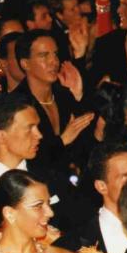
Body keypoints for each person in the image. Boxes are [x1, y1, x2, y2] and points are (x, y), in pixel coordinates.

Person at [0, 92, 91, 232]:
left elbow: (81, 226)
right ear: (1, 136)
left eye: (37, 127)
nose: (39, 135)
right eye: (29, 128)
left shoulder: (52, 178)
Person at [12, 30, 95, 172]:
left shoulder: (64, 95)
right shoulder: (16, 104)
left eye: (55, 54)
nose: (54, 61)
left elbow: (88, 144)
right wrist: (62, 141)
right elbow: (27, 160)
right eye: (44, 55)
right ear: (25, 64)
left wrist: (79, 96)